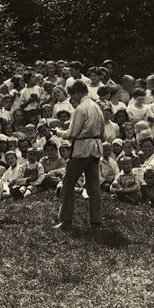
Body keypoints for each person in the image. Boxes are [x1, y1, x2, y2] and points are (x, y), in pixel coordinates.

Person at [54, 80, 105, 231]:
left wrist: (57, 132)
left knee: (68, 184)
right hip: (95, 149)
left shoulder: (80, 109)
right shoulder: (97, 107)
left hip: (82, 149)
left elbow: (72, 133)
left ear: (77, 93)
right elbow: (103, 132)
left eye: (72, 96)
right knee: (94, 186)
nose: (72, 99)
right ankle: (96, 221)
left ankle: (65, 220)